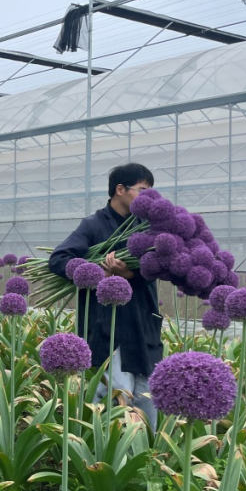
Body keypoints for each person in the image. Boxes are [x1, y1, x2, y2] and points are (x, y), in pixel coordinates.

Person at [49, 163, 163, 429]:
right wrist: (97, 270)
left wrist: (130, 275)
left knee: (146, 393)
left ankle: (147, 455)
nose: (149, 197)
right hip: (109, 325)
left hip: (143, 322)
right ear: (120, 190)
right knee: (116, 392)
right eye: (143, 190)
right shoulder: (94, 225)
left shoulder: (147, 228)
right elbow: (58, 259)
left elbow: (158, 267)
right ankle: (110, 455)